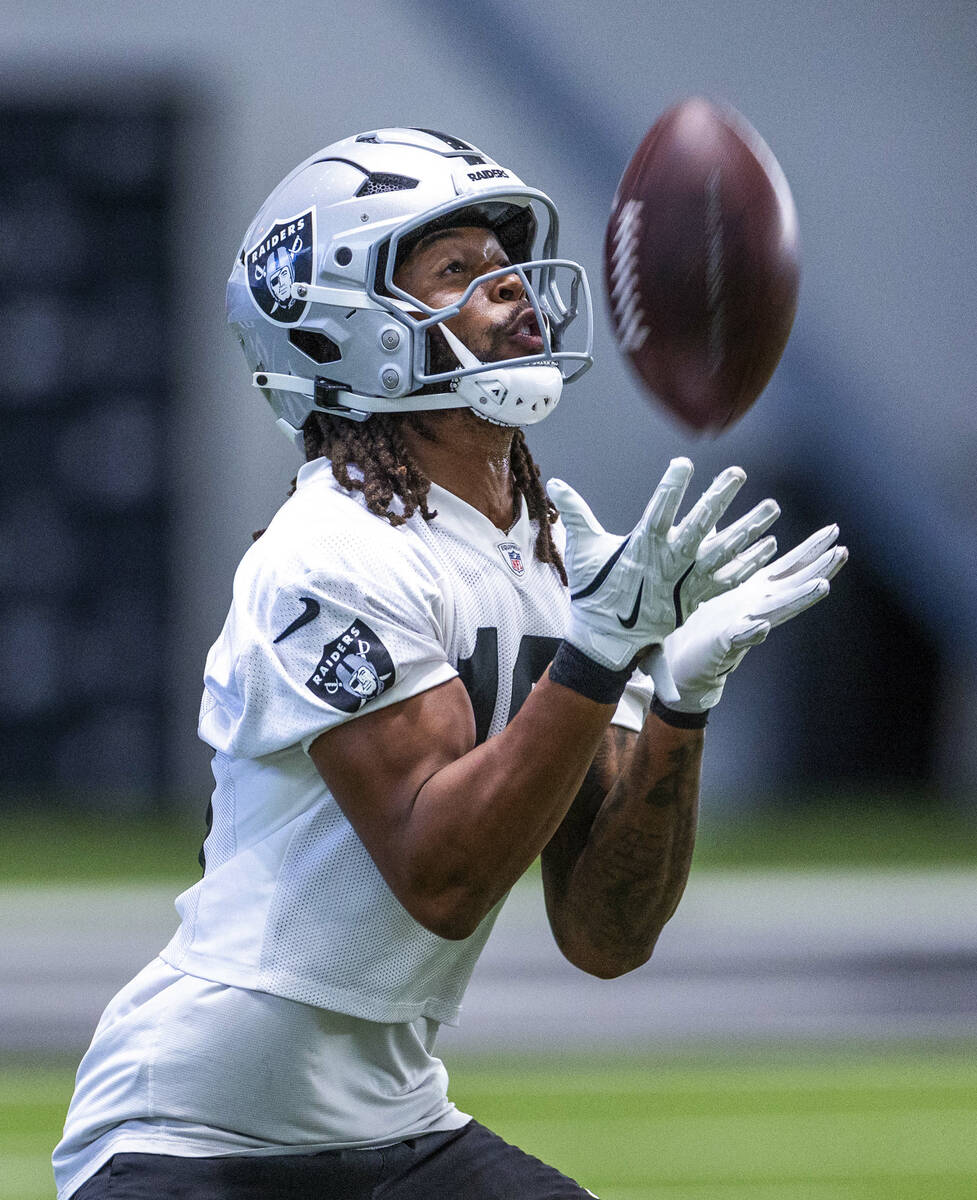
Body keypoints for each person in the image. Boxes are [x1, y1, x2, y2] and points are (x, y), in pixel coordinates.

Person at [54, 127, 846, 1199]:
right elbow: (444, 877)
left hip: (394, 1122)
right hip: (195, 1136)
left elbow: (602, 933)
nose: (515, 293)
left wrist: (676, 700)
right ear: (344, 326)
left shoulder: (543, 546)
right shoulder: (327, 552)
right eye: (459, 270)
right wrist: (597, 653)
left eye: (508, 264)